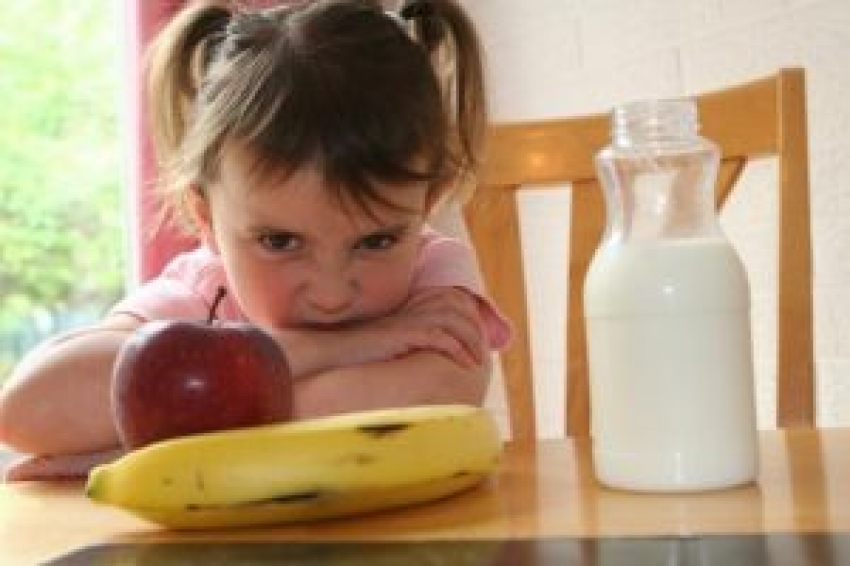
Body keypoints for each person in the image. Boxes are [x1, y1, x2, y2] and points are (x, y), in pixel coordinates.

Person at [0, 0, 510, 481]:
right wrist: (354, 347)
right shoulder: (203, 291)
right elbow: (29, 410)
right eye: (281, 241)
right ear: (205, 217)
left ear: (428, 203)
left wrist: (152, 442)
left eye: (376, 241)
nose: (331, 294)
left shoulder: (433, 275)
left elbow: (441, 395)